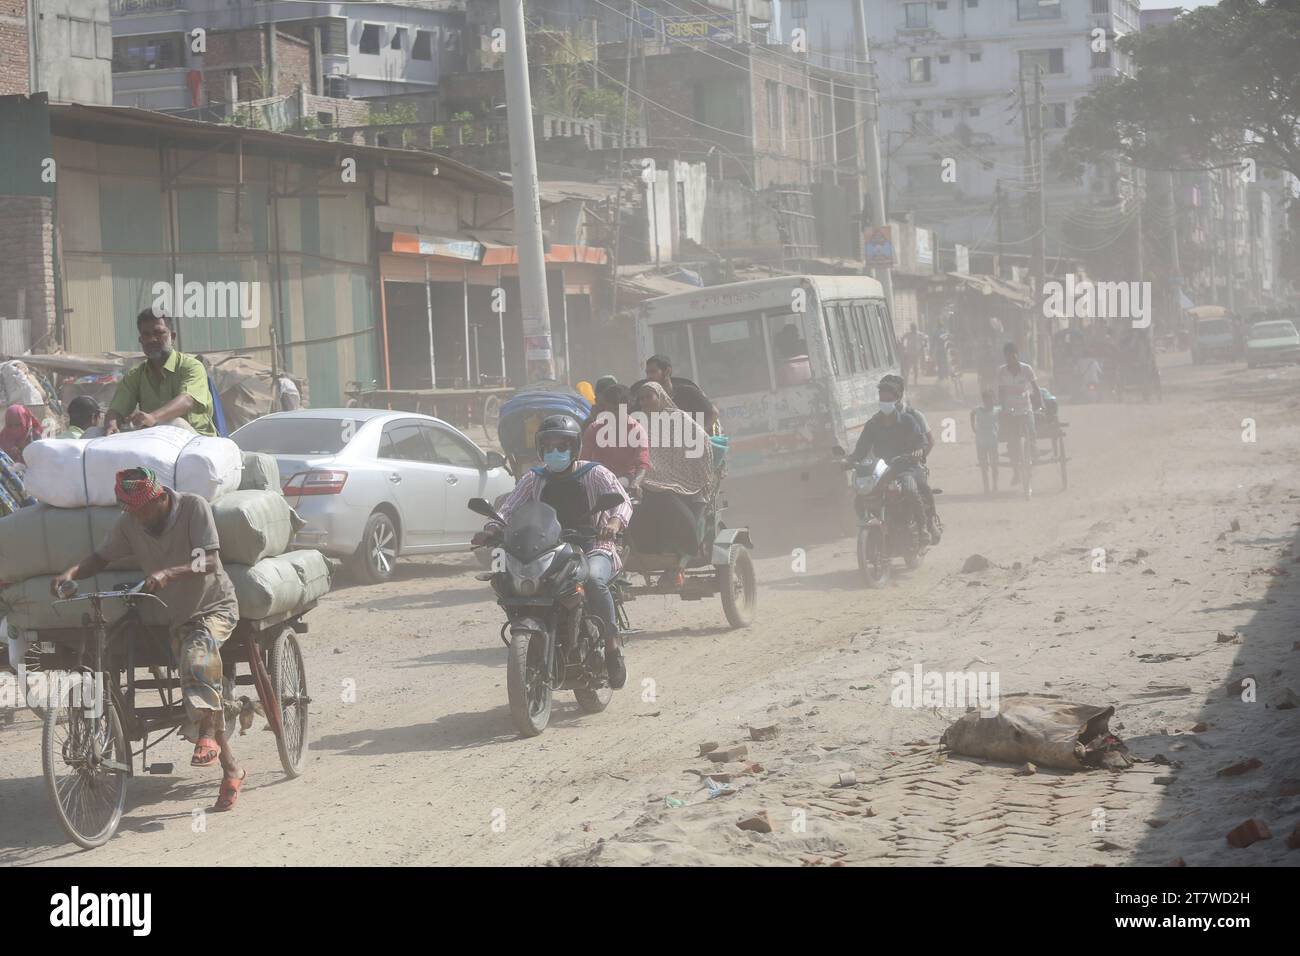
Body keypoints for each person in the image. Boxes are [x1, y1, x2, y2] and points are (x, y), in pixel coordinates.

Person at [51, 467, 246, 811]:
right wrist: (71, 573)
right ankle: (231, 767)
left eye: (143, 510)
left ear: (160, 497)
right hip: (178, 618)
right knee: (168, 660)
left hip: (214, 608)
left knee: (196, 659)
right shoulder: (131, 522)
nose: (138, 518)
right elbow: (102, 556)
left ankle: (205, 736)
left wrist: (170, 572)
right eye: (132, 512)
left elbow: (210, 560)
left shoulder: (193, 508)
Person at [471, 415, 632, 688]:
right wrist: (491, 528)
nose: (555, 452)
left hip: (593, 546)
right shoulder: (535, 477)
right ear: (540, 449)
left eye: (562, 446)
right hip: (550, 550)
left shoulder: (595, 473)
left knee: (593, 580)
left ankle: (612, 647)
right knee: (512, 583)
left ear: (575, 447)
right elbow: (509, 509)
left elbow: (622, 501)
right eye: (549, 447)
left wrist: (614, 523)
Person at [631, 381, 715, 589]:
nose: (644, 402)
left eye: (649, 396)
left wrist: (693, 471)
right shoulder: (637, 423)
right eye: (641, 398)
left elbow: (701, 443)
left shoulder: (678, 418)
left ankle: (681, 555)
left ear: (660, 397)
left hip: (683, 479)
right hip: (649, 479)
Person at [106, 309, 217, 437]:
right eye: (146, 335)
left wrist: (153, 417)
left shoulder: (192, 367)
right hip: (156, 441)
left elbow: (187, 400)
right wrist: (111, 425)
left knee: (176, 424)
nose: (152, 339)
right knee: (96, 432)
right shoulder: (135, 375)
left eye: (158, 333)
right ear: (141, 340)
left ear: (172, 337)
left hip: (196, 442)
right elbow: (116, 409)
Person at [848, 376, 930, 543]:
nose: (884, 402)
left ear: (897, 399)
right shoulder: (873, 424)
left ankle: (923, 529)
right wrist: (849, 461)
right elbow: (861, 449)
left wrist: (917, 451)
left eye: (888, 399)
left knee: (910, 489)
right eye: (882, 399)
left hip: (906, 468)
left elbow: (921, 441)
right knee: (860, 498)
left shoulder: (908, 420)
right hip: (882, 471)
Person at [883, 374, 941, 542]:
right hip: (890, 467)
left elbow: (930, 441)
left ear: (899, 395)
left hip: (913, 466)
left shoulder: (915, 415)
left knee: (922, 488)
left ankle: (929, 522)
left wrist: (920, 458)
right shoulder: (880, 419)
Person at [581, 384, 649, 498]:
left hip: (625, 480)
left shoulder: (637, 430)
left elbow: (642, 463)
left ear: (627, 407)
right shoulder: (594, 428)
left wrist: (636, 483)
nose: (613, 413)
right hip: (598, 478)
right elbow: (584, 461)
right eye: (609, 408)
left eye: (617, 409)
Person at [634, 355, 719, 435]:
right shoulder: (647, 400)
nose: (649, 377)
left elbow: (714, 413)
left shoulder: (688, 393)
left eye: (653, 372)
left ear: (667, 371)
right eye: (647, 373)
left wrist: (700, 433)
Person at [996, 342, 1043, 485]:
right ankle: (1016, 472)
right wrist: (1003, 408)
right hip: (1010, 410)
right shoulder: (1001, 371)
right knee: (1012, 442)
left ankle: (1033, 454)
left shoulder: (1027, 369)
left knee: (1031, 431)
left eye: (1013, 356)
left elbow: (1036, 388)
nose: (1011, 359)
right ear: (1005, 357)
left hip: (1025, 407)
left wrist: (1040, 404)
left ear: (1017, 356)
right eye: (1008, 357)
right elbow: (1001, 392)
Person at [970, 388, 1001, 494]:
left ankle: (995, 485)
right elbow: (972, 414)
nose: (989, 402)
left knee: (994, 465)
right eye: (987, 400)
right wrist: (973, 427)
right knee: (984, 467)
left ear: (994, 399)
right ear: (984, 400)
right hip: (981, 442)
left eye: (991, 399)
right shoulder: (978, 410)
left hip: (993, 441)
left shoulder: (997, 410)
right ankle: (986, 487)